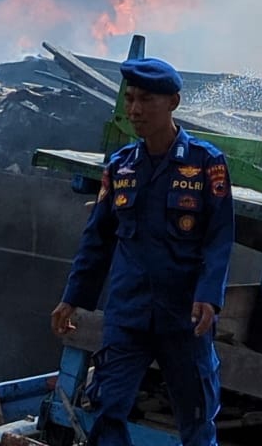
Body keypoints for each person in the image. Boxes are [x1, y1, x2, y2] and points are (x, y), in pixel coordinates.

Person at [50, 58, 235, 446]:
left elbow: (219, 238)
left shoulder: (206, 165)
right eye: (130, 99)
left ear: (173, 103)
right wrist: (73, 298)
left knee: (197, 420)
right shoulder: (120, 167)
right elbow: (97, 239)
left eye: (145, 100)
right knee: (107, 409)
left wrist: (209, 296)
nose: (134, 110)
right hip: (128, 313)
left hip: (183, 314)